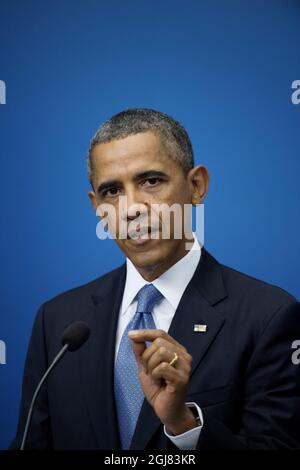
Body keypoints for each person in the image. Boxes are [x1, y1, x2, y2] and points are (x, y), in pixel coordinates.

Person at [10, 108, 300, 450]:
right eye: (112, 191)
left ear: (196, 186)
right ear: (96, 207)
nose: (131, 207)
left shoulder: (269, 316)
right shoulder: (57, 321)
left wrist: (184, 426)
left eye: (151, 181)